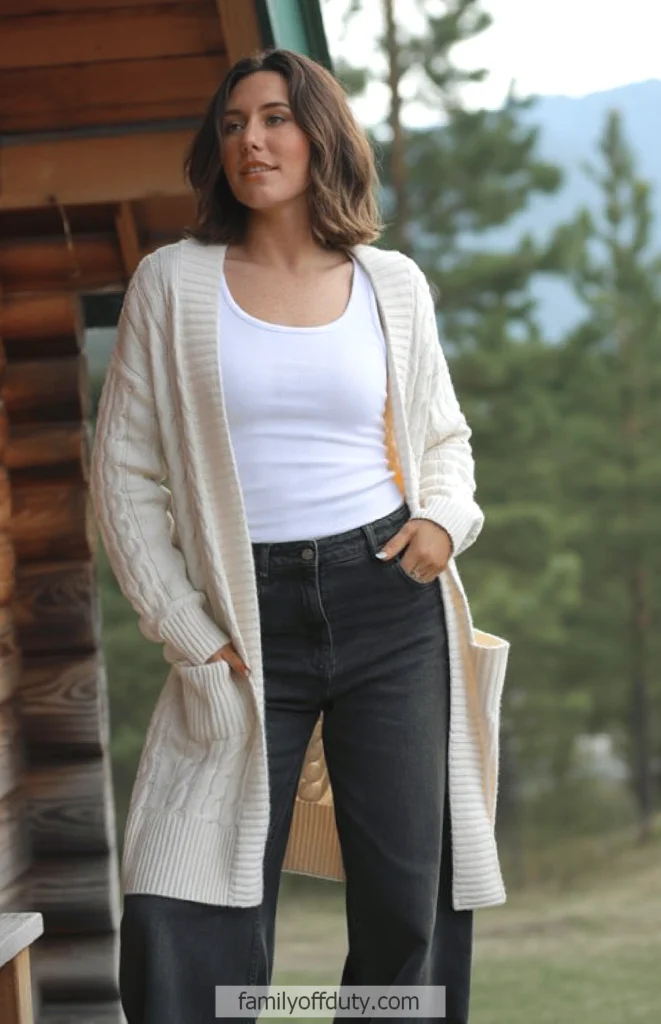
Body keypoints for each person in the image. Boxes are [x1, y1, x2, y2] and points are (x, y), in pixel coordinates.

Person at [90, 47, 509, 1024]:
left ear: (322, 135)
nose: (252, 139)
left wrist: (443, 522)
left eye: (275, 117)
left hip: (388, 601)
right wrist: (186, 626)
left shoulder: (392, 285)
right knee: (181, 901)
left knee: (409, 906)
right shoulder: (172, 286)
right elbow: (124, 473)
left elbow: (443, 437)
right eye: (233, 124)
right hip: (242, 624)